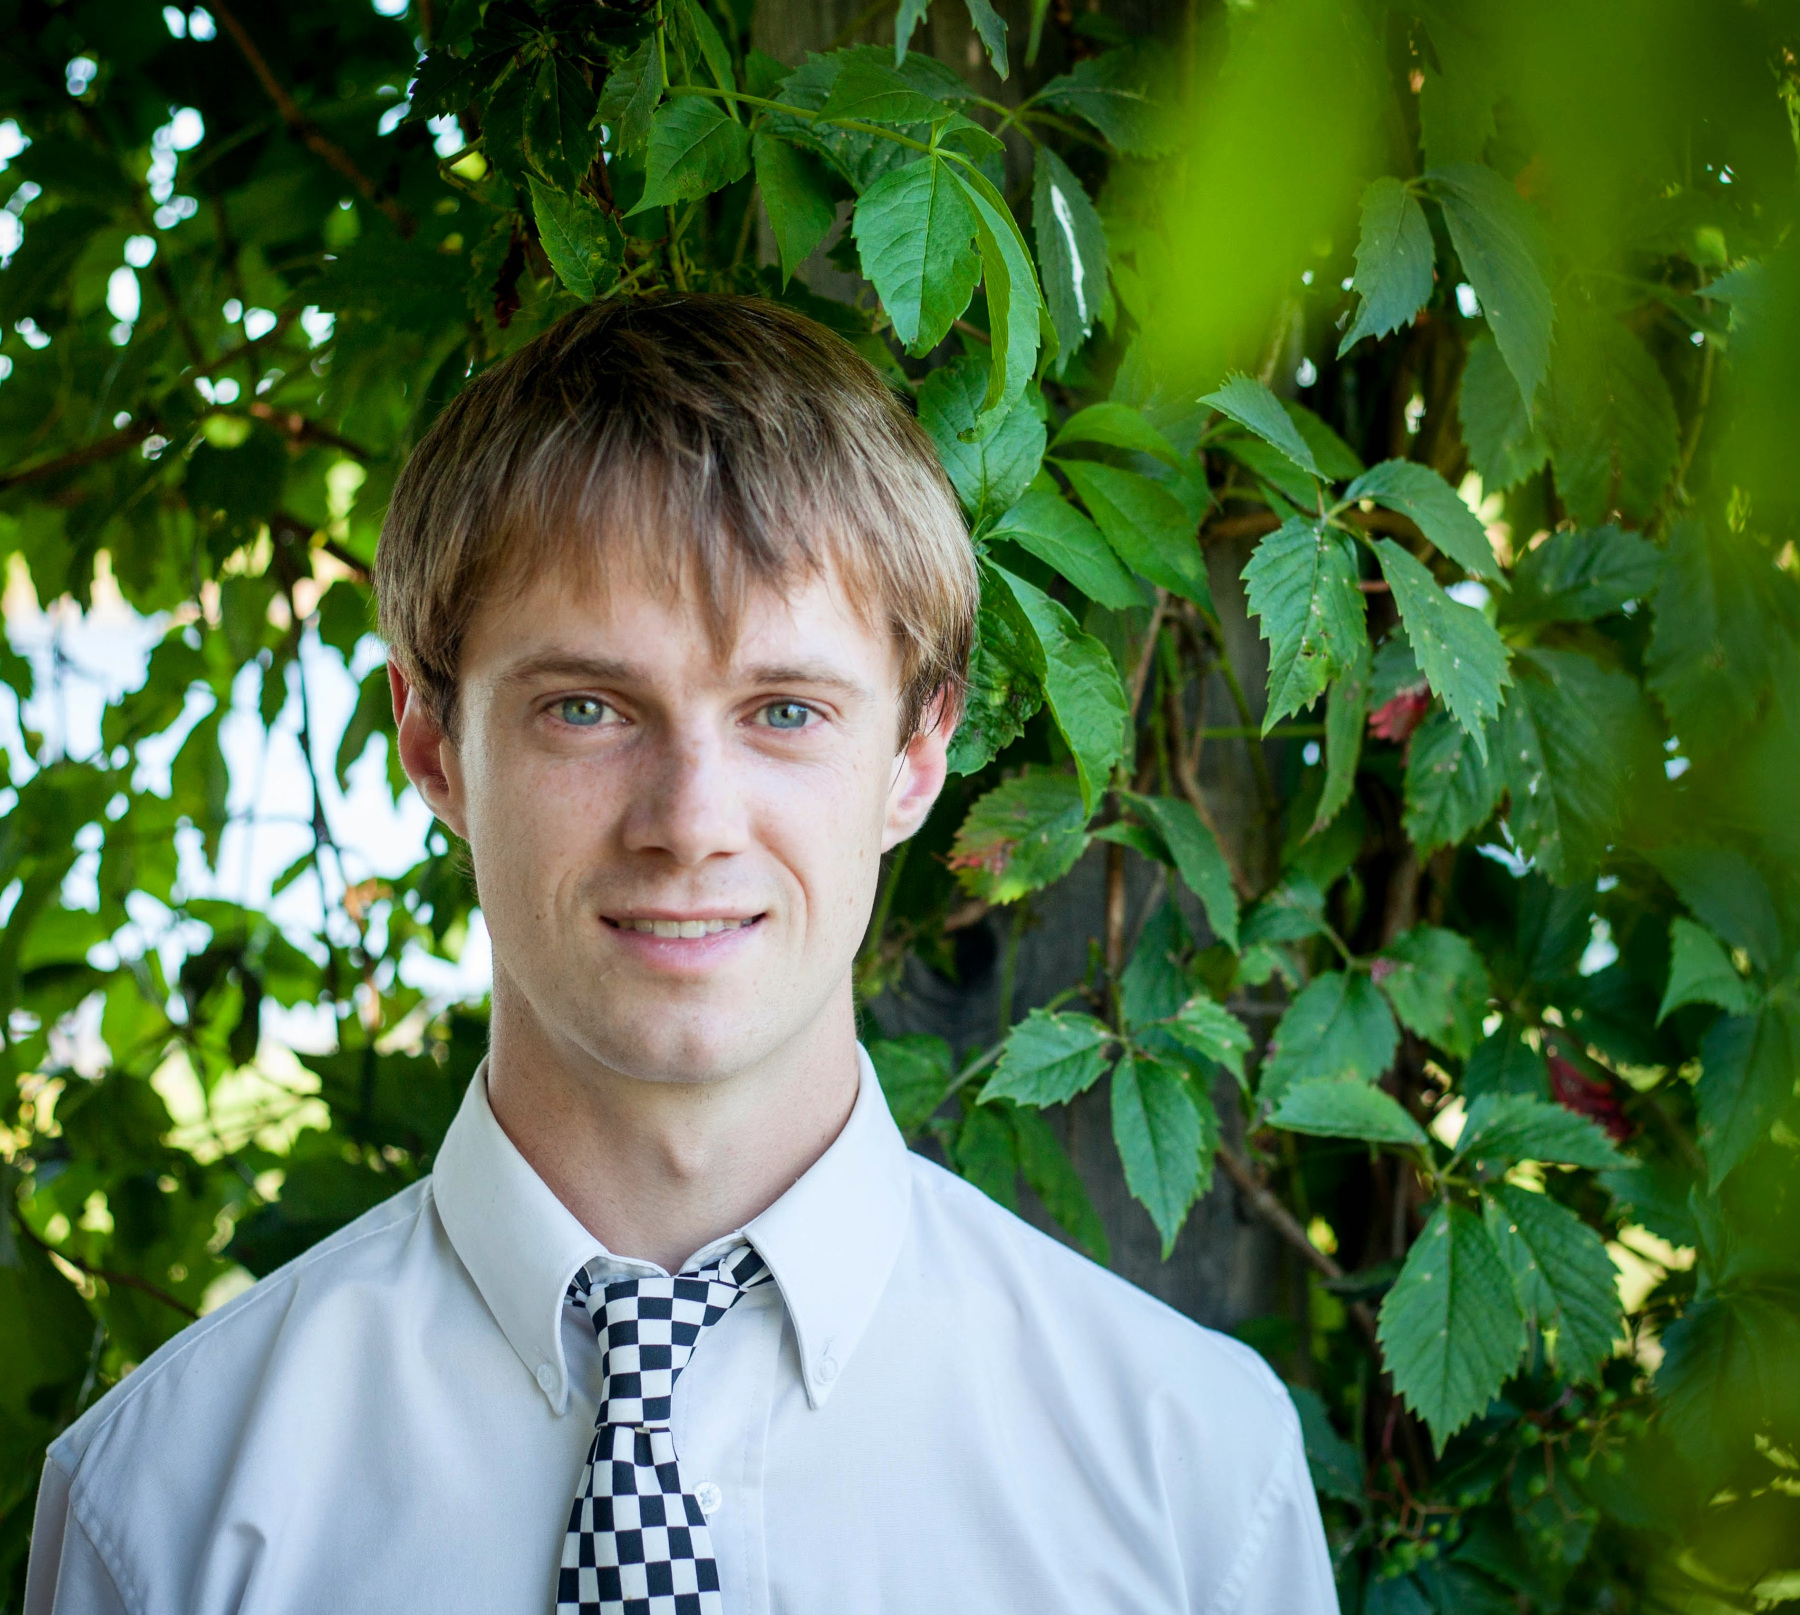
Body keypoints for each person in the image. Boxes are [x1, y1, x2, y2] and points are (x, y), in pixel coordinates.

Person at [25, 295, 1336, 1615]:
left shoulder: (1193, 1482)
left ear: (917, 754)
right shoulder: (164, 1507)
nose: (690, 823)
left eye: (784, 710)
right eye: (586, 708)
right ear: (435, 749)